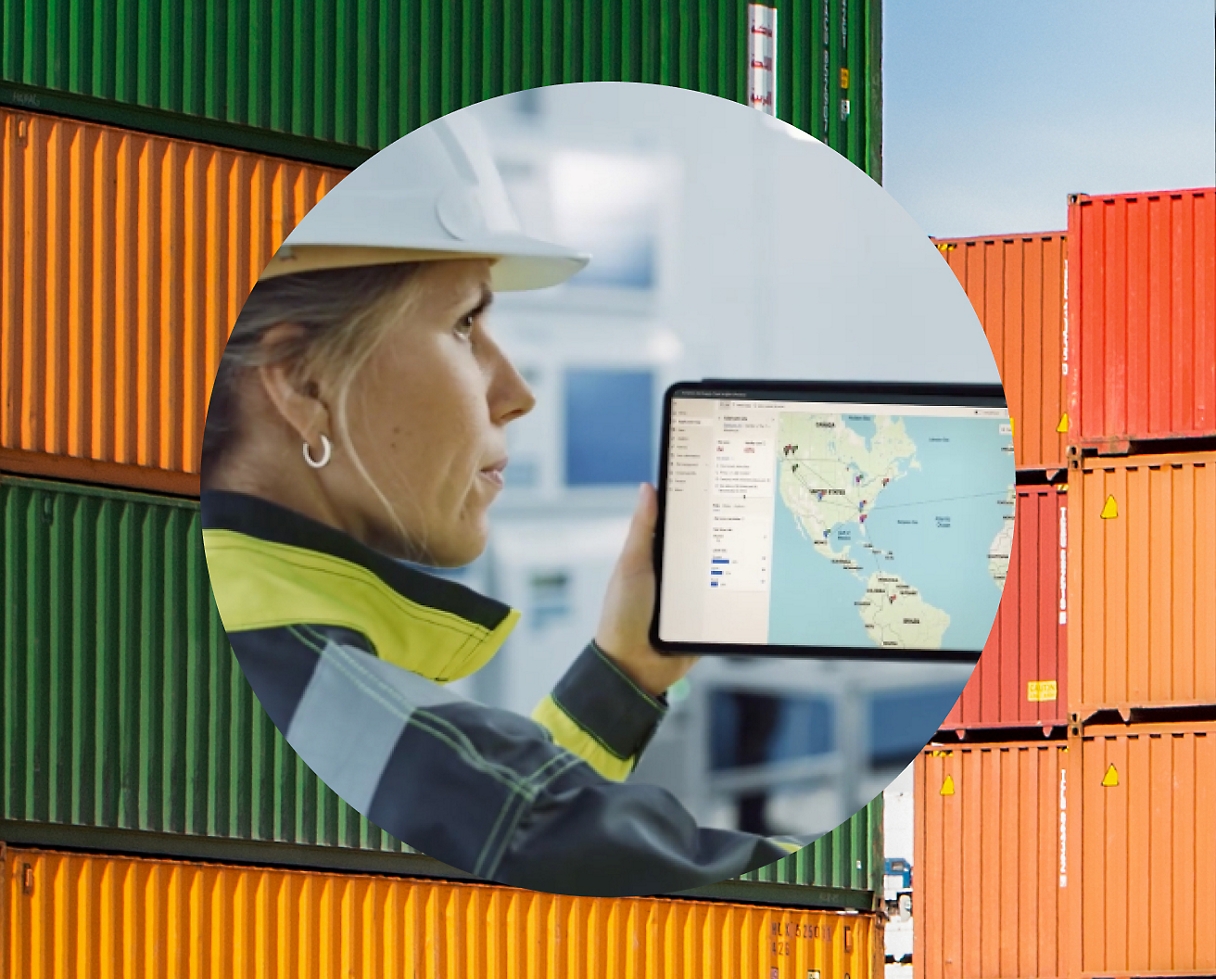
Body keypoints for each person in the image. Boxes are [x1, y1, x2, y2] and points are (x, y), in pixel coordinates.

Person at [200, 114, 810, 897]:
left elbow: (499, 833)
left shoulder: (247, 624)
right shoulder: (325, 686)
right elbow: (536, 830)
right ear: (305, 384)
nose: (516, 394)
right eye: (464, 324)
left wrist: (626, 671)